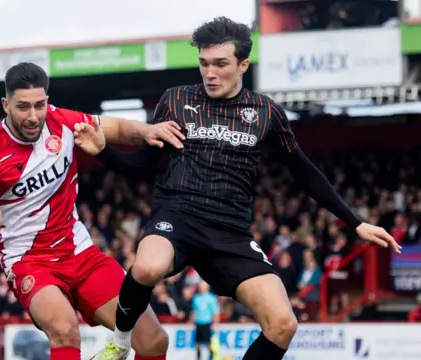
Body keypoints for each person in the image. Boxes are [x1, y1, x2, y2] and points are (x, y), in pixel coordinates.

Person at [72, 17, 402, 360]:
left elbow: (305, 173)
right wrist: (103, 151)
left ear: (243, 64)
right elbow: (142, 167)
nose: (209, 73)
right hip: (178, 216)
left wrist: (356, 223)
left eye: (220, 64)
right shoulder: (175, 100)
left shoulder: (266, 112)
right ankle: (120, 345)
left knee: (283, 325)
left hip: (230, 232)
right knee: (146, 268)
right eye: (203, 63)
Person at [0, 62, 183, 360]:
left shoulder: (61, 121)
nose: (33, 117)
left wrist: (148, 129)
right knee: (65, 329)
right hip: (29, 261)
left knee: (153, 341)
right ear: (6, 105)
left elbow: (116, 128)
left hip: (81, 253)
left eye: (39, 105)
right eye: (23, 107)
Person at [190, 282, 219, 360]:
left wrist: (216, 323)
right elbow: (194, 311)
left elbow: (215, 312)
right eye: (200, 286)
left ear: (207, 287)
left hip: (206, 322)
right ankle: (198, 358)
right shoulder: (196, 298)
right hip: (198, 323)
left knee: (208, 343)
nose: (201, 288)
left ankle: (211, 356)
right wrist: (190, 322)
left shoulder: (211, 298)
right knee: (197, 343)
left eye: (203, 286)